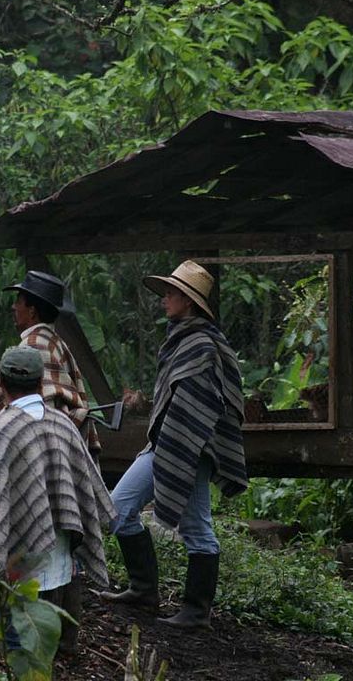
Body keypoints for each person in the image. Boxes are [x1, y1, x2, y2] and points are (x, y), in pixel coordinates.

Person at [98, 260, 247, 631]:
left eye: (171, 293)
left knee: (196, 527)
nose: (164, 299)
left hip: (190, 447)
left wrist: (183, 442)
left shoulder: (202, 343)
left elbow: (204, 404)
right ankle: (144, 589)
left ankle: (197, 611)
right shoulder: (181, 337)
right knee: (118, 509)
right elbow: (177, 397)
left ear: (189, 301)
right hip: (165, 443)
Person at [0, 345, 115, 654]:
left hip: (13, 573)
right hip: (58, 575)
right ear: (41, 383)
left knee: (17, 650)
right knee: (38, 657)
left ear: (0, 384)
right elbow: (85, 497)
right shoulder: (65, 426)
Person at [0, 270, 99, 489]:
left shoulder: (34, 346)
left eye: (18, 301)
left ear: (32, 312)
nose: (13, 307)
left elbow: (35, 408)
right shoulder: (53, 341)